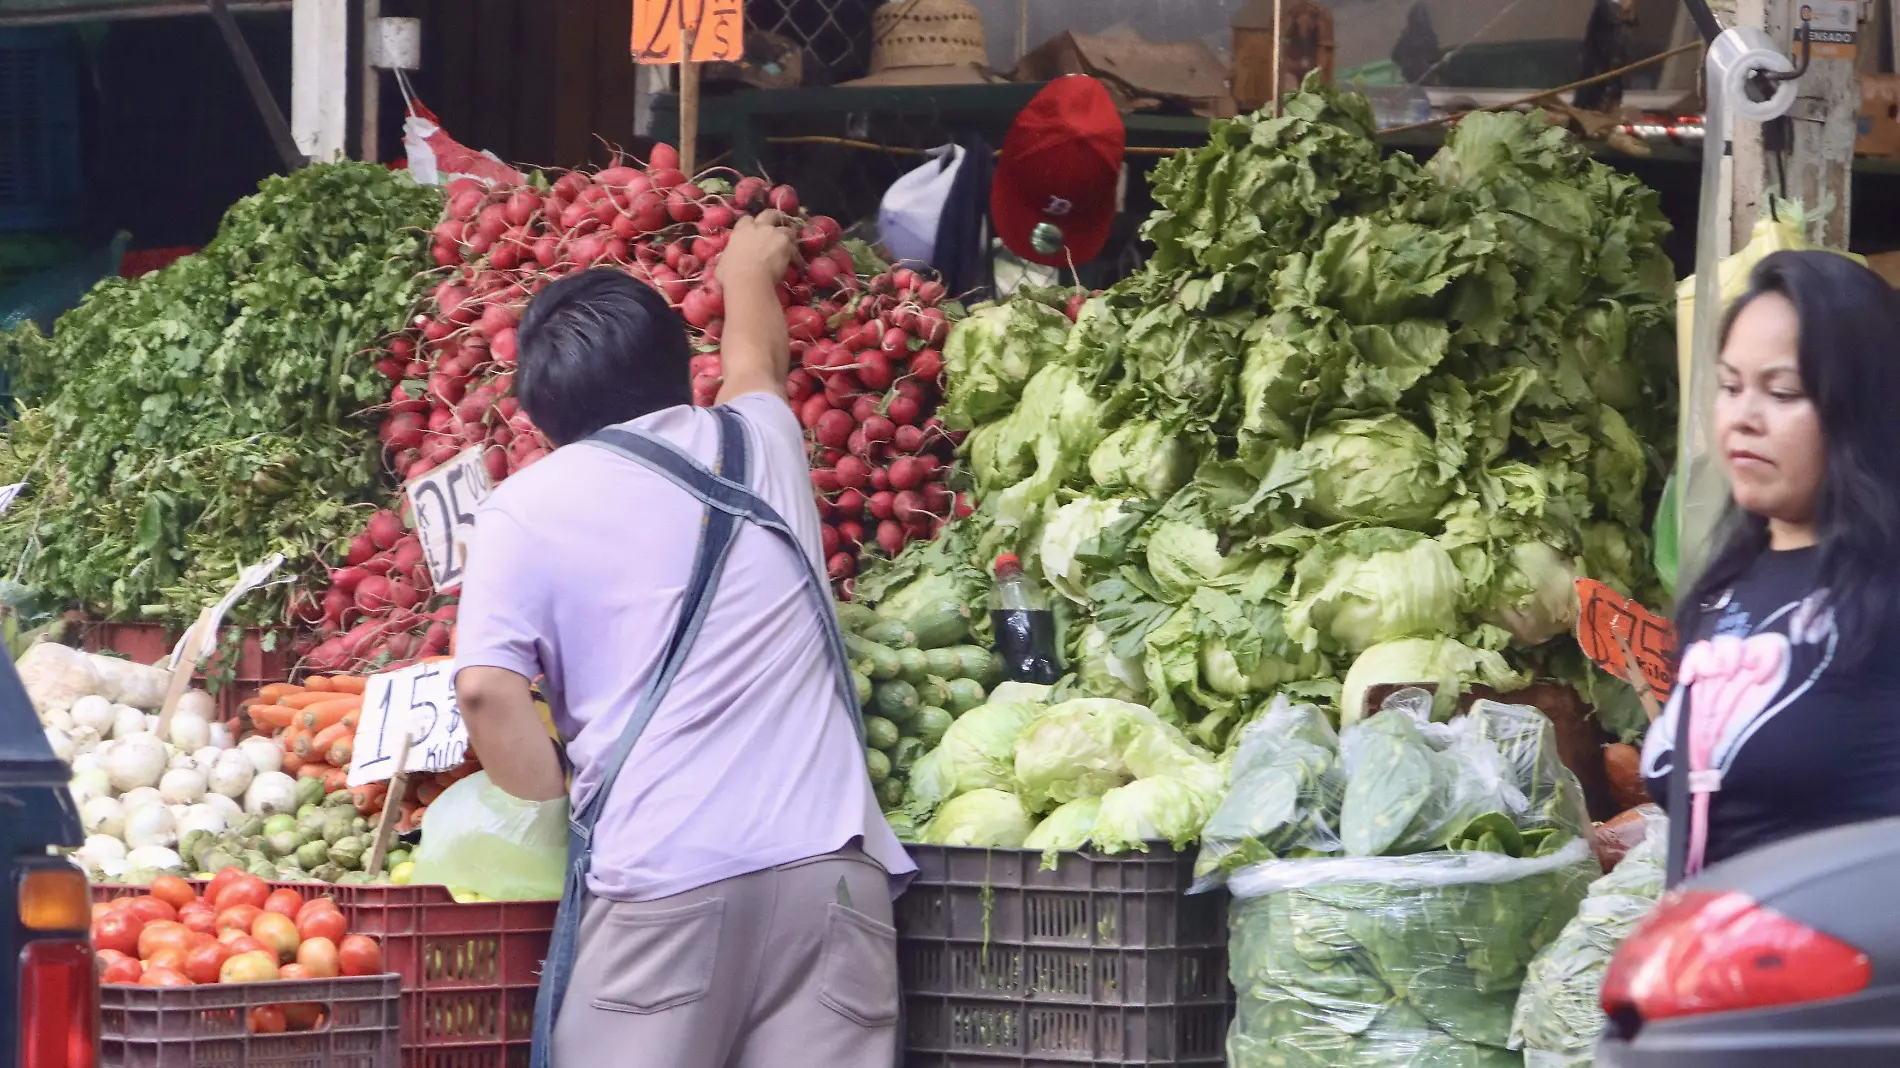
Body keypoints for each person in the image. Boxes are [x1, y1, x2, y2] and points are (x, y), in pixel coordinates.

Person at [451, 209, 914, 1068]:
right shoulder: (759, 442)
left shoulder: (527, 503)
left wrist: (554, 792)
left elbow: (484, 689)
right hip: (830, 872)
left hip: (668, 881)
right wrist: (748, 269)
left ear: (540, 411)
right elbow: (755, 360)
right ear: (678, 370)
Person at [1641, 249, 1900, 886]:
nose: (1743, 418)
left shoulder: (1884, 599)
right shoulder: (1725, 589)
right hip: (1718, 973)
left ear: (1860, 408)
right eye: (1730, 387)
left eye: (1782, 392)